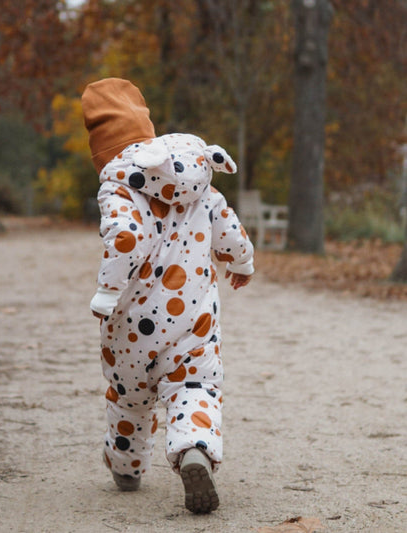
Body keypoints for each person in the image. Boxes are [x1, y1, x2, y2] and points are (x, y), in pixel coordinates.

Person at [81, 78, 254, 514]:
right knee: (195, 386)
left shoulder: (118, 186)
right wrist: (242, 264)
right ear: (147, 130)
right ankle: (193, 448)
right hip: (192, 323)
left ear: (100, 150)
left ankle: (125, 465)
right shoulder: (199, 181)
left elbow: (124, 238)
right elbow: (229, 231)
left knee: (129, 397)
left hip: (131, 326)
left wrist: (107, 290)